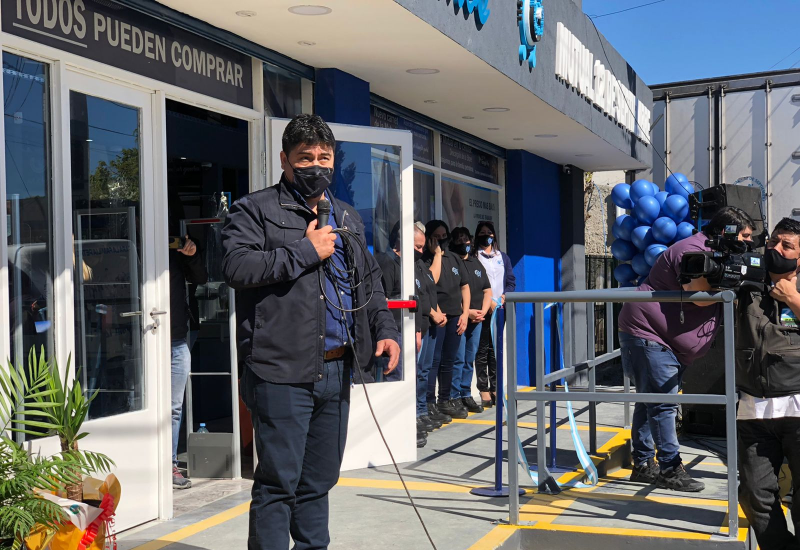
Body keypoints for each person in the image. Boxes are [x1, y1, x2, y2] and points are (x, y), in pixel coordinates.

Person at [221, 114, 400, 550]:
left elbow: (368, 282)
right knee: (278, 483)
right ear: (285, 160)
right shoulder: (255, 210)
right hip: (280, 370)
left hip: (336, 370)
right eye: (305, 158)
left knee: (318, 482)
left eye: (324, 156)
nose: (316, 165)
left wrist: (385, 328)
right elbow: (236, 267)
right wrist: (304, 250)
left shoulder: (347, 216)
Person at [617, 206, 755, 492]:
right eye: (745, 236)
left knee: (651, 400)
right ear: (725, 231)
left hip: (669, 339)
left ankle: (642, 464)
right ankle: (670, 468)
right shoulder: (692, 251)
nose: (749, 243)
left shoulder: (717, 252)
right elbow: (700, 297)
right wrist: (735, 284)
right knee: (662, 403)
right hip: (649, 330)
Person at [736, 218, 800, 549]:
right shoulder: (748, 285)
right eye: (773, 242)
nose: (776, 249)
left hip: (798, 408)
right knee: (753, 494)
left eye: (786, 245)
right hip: (754, 410)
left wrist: (793, 298)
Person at [167, 201, 208, 490]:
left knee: (173, 407)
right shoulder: (136, 247)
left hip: (176, 338)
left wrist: (191, 255)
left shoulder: (177, 249)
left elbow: (201, 278)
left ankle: (169, 465)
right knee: (139, 404)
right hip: (142, 339)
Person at [423, 220, 470, 421]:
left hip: (455, 316)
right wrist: (436, 255)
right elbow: (431, 282)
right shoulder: (425, 259)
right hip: (437, 317)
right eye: (437, 237)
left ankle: (445, 400)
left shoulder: (454, 258)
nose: (441, 240)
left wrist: (465, 314)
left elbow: (465, 286)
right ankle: (429, 402)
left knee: (449, 360)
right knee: (433, 361)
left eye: (444, 236)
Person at [449, 228, 492, 413]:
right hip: (460, 319)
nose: (464, 244)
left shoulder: (476, 263)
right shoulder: (452, 263)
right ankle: (454, 396)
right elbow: (449, 294)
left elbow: (487, 290)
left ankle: (466, 393)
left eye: (466, 240)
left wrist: (483, 312)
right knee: (457, 359)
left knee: (469, 359)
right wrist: (467, 313)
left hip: (477, 320)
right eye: (460, 241)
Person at [474, 221, 516, 408]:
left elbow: (511, 281)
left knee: (495, 349)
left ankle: (496, 386)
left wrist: (504, 297)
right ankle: (483, 388)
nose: (486, 235)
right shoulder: (474, 257)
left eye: (489, 232)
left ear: (494, 235)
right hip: (483, 309)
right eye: (482, 232)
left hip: (500, 309)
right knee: (482, 349)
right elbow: (473, 284)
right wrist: (487, 302)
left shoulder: (503, 257)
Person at [377, 221, 403, 383]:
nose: (420, 251)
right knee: (394, 373)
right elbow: (383, 297)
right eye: (417, 246)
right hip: (395, 327)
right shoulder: (388, 262)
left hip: (408, 326)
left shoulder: (409, 264)